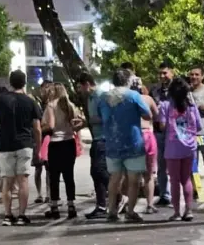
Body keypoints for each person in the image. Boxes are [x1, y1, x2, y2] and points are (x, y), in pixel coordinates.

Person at [0, 70, 42, 227]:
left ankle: (7, 215)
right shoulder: (30, 102)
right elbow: (37, 129)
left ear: (10, 83)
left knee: (7, 182)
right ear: (24, 83)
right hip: (24, 144)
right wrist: (38, 149)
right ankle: (22, 215)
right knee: (23, 180)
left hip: (5, 145)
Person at [98, 67, 151, 223]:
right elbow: (147, 115)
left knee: (114, 179)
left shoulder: (104, 97)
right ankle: (130, 211)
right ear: (128, 81)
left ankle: (112, 211)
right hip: (133, 143)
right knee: (134, 180)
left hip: (112, 142)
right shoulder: (134, 95)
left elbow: (101, 116)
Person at [159, 76, 201, 222]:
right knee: (186, 179)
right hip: (189, 147)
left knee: (174, 181)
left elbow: (162, 126)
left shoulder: (165, 106)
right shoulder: (192, 107)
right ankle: (189, 210)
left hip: (172, 148)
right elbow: (198, 126)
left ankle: (177, 212)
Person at [42, 83, 83, 220]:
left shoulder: (51, 106)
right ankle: (71, 206)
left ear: (54, 92)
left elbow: (51, 125)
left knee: (54, 176)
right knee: (69, 176)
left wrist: (40, 128)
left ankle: (54, 207)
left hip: (55, 143)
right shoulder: (70, 105)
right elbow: (79, 122)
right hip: (69, 142)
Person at [77, 72, 109, 220]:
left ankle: (118, 196)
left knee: (100, 171)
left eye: (80, 87)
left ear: (87, 84)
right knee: (95, 173)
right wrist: (83, 123)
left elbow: (105, 118)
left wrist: (89, 120)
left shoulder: (101, 96)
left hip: (104, 138)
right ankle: (101, 205)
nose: (79, 90)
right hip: (96, 139)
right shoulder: (89, 99)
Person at [149, 61, 175, 205]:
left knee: (175, 165)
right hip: (159, 131)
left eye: (165, 73)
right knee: (161, 165)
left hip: (175, 132)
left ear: (172, 72)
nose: (162, 76)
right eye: (160, 73)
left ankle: (176, 194)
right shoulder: (154, 90)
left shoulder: (178, 88)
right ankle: (164, 194)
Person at [140, 85, 160, 214]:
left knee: (130, 173)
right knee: (149, 174)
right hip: (147, 134)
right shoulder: (148, 99)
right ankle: (149, 204)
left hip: (132, 135)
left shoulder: (125, 99)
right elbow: (157, 115)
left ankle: (127, 203)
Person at [34, 80, 52, 203]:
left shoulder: (53, 104)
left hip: (48, 138)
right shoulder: (36, 103)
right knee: (38, 168)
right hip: (37, 138)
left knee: (49, 168)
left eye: (48, 88)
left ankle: (48, 194)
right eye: (44, 88)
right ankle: (39, 194)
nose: (46, 90)